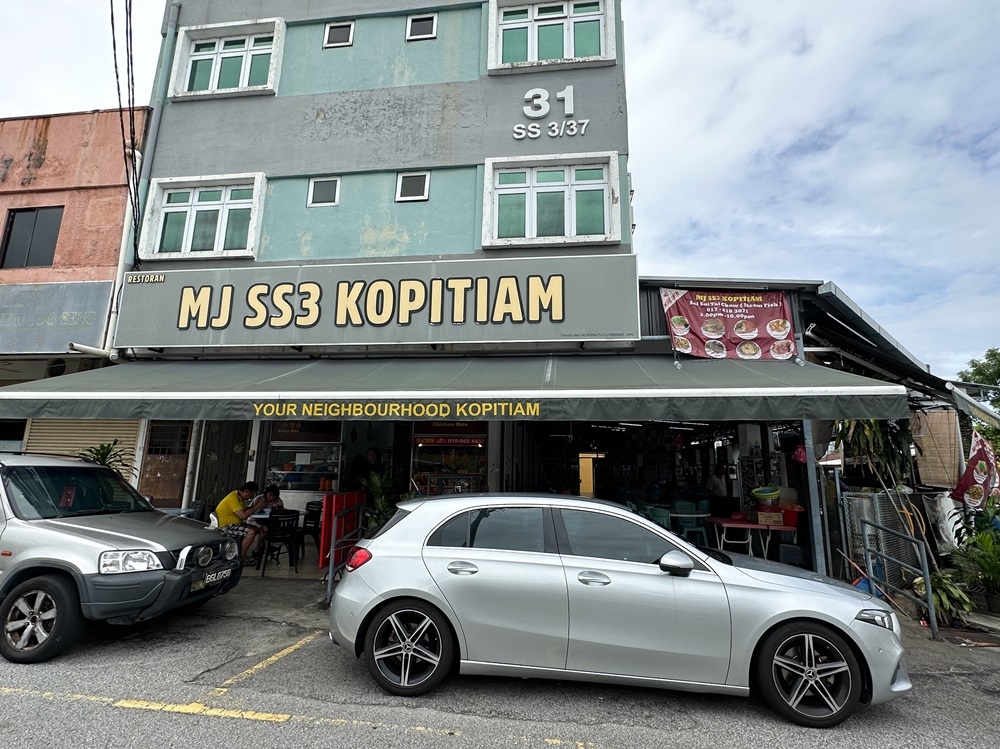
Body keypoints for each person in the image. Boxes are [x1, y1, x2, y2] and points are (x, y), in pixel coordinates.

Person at [215, 481, 264, 561]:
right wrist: (257, 507)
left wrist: (255, 506)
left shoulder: (239, 497)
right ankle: (241, 557)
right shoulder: (233, 498)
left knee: (257, 529)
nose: (251, 497)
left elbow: (245, 509)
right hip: (226, 526)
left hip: (235, 524)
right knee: (251, 532)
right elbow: (243, 515)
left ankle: (250, 550)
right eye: (251, 494)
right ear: (246, 491)